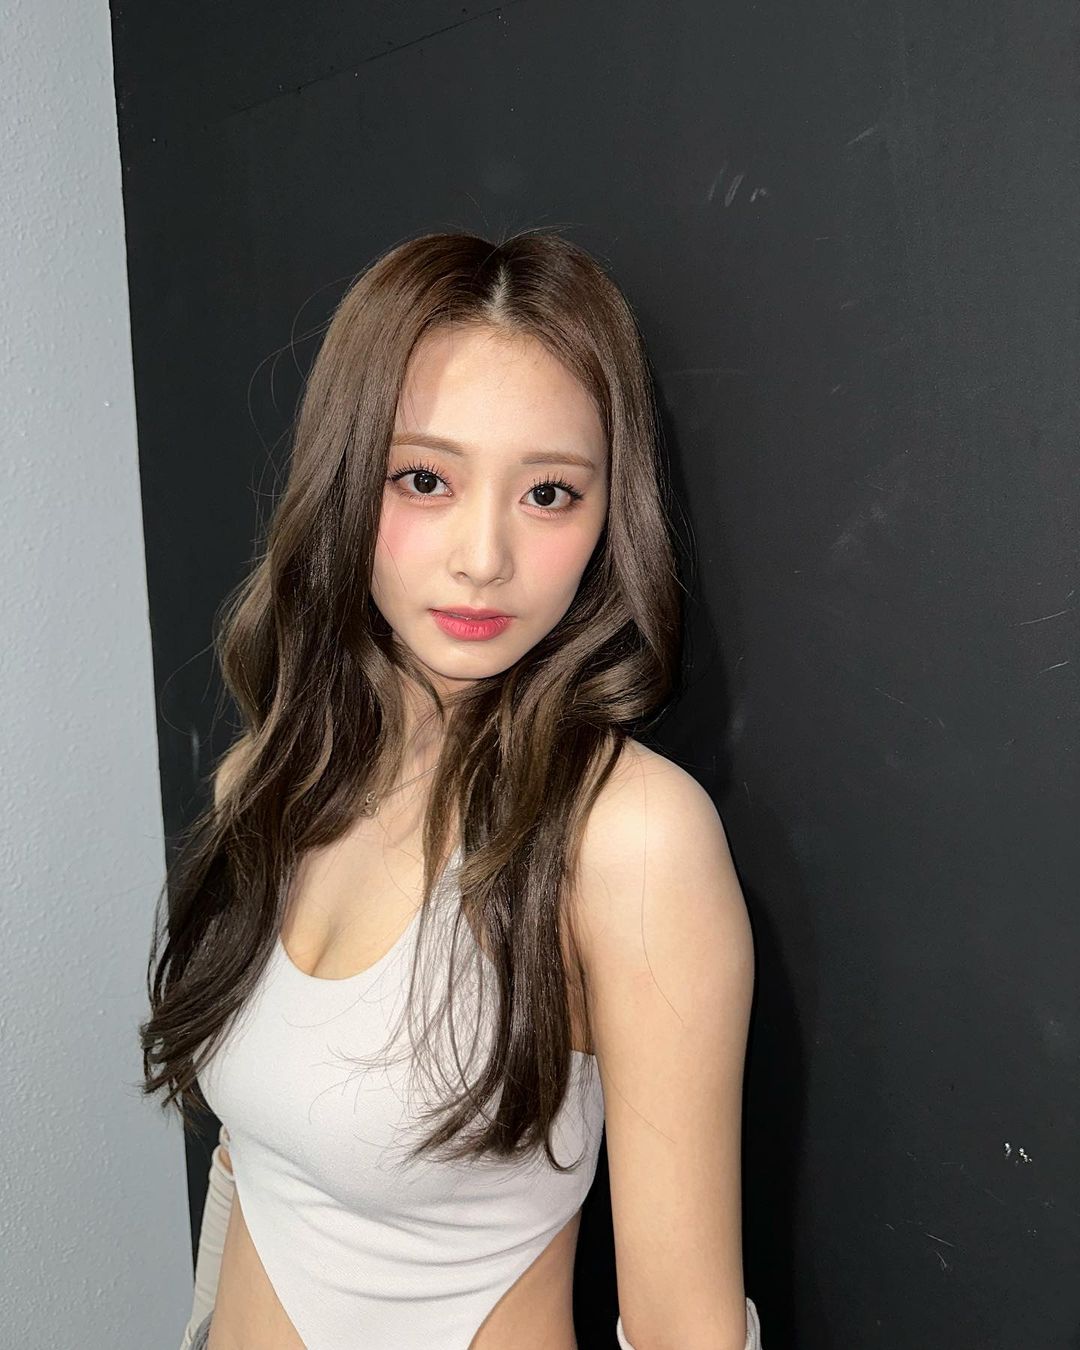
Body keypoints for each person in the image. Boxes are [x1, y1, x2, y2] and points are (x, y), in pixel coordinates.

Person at [142, 229, 762, 1350]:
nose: (484, 557)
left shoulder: (628, 837)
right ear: (346, 476)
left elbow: (686, 1326)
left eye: (550, 493)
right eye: (425, 479)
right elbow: (248, 1166)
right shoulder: (277, 774)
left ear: (609, 517)